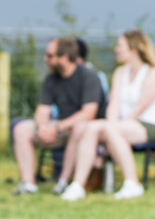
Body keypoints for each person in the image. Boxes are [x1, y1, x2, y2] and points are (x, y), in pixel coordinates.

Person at [60, 29, 155, 201]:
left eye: (120, 45)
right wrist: (108, 127)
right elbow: (113, 106)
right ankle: (78, 185)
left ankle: (133, 183)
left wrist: (109, 129)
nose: (116, 49)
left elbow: (140, 107)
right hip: (126, 126)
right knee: (90, 128)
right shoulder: (121, 73)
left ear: (134, 49)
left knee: (110, 129)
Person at [11, 37, 104, 195]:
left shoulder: (88, 76)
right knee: (20, 129)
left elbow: (88, 113)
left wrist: (57, 127)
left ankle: (63, 182)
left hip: (85, 130)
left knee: (79, 128)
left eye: (50, 55)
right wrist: (42, 127)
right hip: (60, 127)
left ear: (65, 57)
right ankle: (28, 183)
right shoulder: (51, 79)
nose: (45, 59)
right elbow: (42, 110)